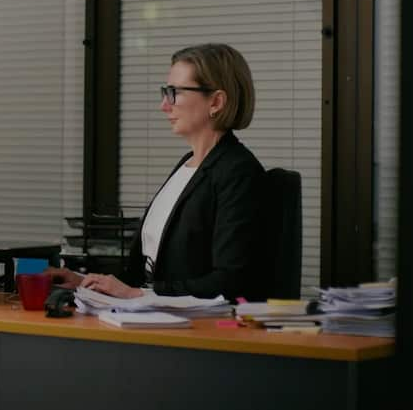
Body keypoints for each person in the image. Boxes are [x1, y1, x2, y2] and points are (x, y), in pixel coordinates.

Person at [47, 43, 267, 300]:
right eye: (165, 92)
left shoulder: (238, 173)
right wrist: (83, 281)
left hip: (193, 329)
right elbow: (150, 269)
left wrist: (137, 295)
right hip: (149, 317)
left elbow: (230, 281)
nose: (164, 105)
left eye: (174, 92)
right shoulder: (188, 165)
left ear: (216, 101)